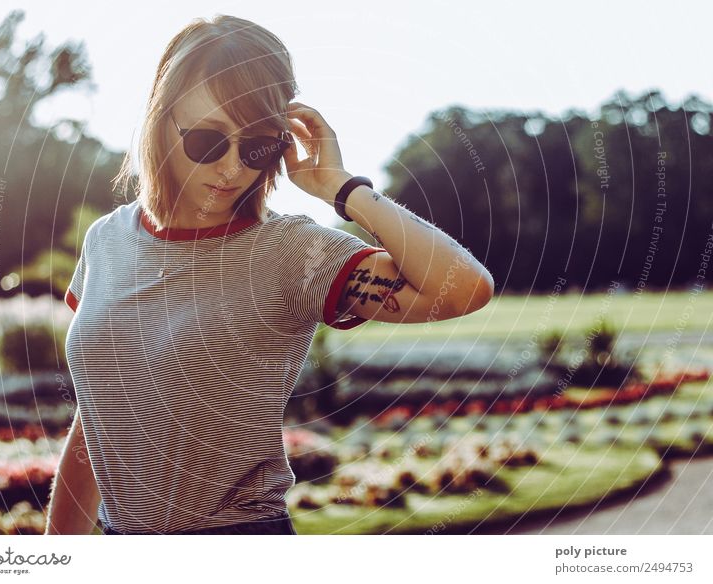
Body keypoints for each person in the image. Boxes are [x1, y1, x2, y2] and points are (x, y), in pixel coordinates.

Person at [45, 14, 494, 536]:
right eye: (208, 142)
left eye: (257, 147)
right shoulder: (106, 240)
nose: (233, 168)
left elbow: (465, 288)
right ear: (160, 120)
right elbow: (99, 413)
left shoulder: (291, 251)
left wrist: (342, 189)